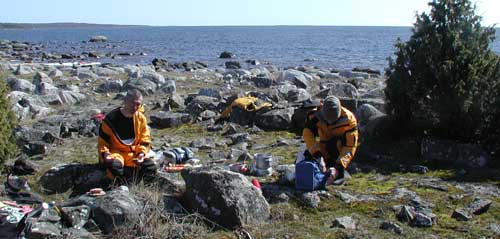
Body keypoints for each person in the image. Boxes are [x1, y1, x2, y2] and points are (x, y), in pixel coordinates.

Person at [97, 89, 157, 182]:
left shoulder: (140, 118)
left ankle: (140, 186)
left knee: (150, 166)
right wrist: (105, 154)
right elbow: (103, 142)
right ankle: (121, 185)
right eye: (133, 103)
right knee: (114, 166)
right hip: (116, 153)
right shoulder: (110, 120)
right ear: (125, 101)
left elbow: (144, 139)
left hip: (134, 154)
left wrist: (141, 154)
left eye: (138, 104)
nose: (135, 107)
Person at [302, 96, 358, 185]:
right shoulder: (315, 115)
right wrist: (317, 155)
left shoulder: (349, 121)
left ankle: (336, 171)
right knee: (306, 155)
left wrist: (339, 167)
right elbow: (308, 133)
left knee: (337, 144)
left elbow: (349, 146)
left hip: (339, 149)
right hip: (323, 145)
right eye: (327, 119)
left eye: (333, 119)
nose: (330, 122)